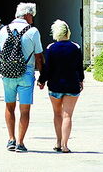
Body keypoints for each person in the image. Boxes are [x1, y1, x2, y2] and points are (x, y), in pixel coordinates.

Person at [0, 2, 43, 153]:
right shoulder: (33, 31)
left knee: (9, 106)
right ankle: (20, 142)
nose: (32, 19)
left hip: (7, 73)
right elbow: (39, 57)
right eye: (32, 16)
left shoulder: (3, 30)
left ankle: (11, 139)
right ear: (27, 15)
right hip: (26, 74)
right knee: (25, 110)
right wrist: (42, 77)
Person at [37, 19, 84, 153]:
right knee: (67, 115)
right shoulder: (76, 47)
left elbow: (47, 68)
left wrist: (41, 80)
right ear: (68, 32)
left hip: (55, 85)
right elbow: (79, 68)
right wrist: (81, 80)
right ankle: (65, 145)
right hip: (72, 85)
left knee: (57, 114)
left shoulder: (51, 48)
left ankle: (58, 142)